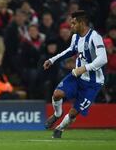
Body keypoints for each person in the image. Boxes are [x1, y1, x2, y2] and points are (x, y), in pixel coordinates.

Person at [43, 10, 107, 138]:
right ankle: (57, 114)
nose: (70, 26)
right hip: (77, 77)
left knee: (73, 113)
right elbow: (70, 51)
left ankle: (60, 128)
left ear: (82, 23)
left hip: (93, 83)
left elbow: (103, 58)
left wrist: (84, 68)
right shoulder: (75, 37)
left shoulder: (95, 37)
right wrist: (52, 60)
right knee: (57, 94)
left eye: (73, 23)